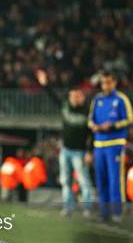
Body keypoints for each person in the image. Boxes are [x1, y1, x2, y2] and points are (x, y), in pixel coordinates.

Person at [35, 69, 94, 217]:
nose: (75, 98)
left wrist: (89, 151)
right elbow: (52, 96)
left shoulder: (87, 112)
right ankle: (68, 207)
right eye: (73, 95)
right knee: (65, 180)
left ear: (82, 97)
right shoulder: (65, 107)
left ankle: (87, 208)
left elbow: (92, 134)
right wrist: (45, 84)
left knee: (83, 180)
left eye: (78, 95)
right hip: (66, 150)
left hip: (80, 151)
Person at [88, 72, 133, 222]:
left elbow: (130, 118)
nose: (105, 85)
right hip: (99, 144)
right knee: (101, 179)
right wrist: (94, 126)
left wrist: (113, 125)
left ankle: (117, 212)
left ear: (114, 83)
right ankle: (104, 212)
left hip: (115, 144)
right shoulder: (97, 99)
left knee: (115, 179)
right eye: (103, 83)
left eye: (108, 82)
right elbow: (90, 120)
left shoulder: (121, 99)